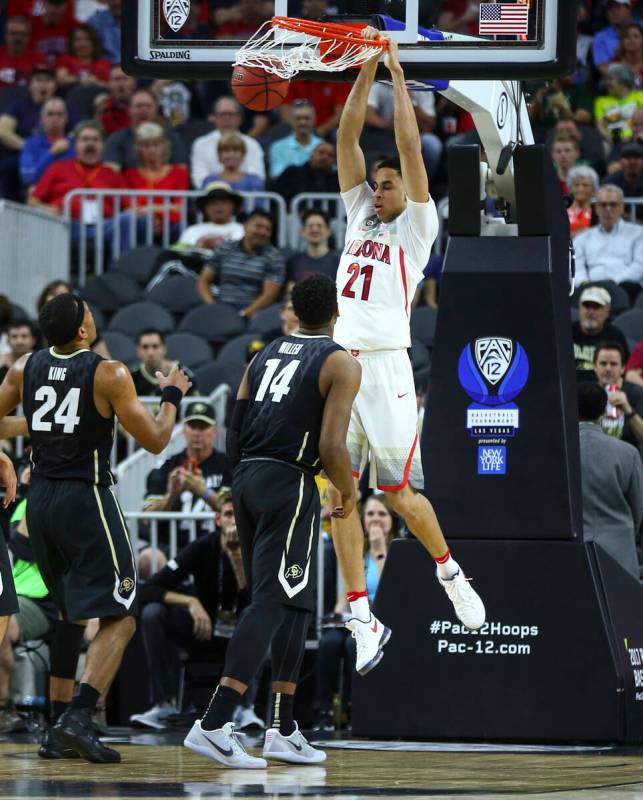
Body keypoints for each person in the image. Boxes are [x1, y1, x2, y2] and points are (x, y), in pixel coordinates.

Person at [329, 27, 485, 676]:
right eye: (377, 183)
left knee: (396, 496)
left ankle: (449, 571)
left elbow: (404, 151)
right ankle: (360, 612)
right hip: (338, 364)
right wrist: (363, 68)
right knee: (333, 495)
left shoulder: (420, 224)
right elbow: (345, 139)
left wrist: (395, 72)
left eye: (388, 181)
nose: (380, 186)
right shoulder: (357, 214)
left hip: (388, 365)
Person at [0, 292, 192, 763]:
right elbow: (155, 439)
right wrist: (172, 394)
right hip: (85, 501)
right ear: (84, 332)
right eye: (88, 310)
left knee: (70, 616)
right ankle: (78, 718)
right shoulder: (110, 372)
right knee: (123, 613)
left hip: (40, 503)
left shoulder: (25, 366)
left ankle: (56, 727)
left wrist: (34, 427)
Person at [183, 273, 361, 769]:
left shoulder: (263, 355)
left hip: (247, 476)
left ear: (295, 312)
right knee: (271, 600)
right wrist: (346, 489)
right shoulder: (340, 361)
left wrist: (244, 485)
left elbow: (234, 429)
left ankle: (282, 727)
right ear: (337, 311)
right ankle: (216, 721)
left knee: (295, 600)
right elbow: (330, 446)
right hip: (291, 481)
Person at [132, 492, 248, 730]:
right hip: (202, 627)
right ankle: (162, 705)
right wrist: (190, 603)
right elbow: (150, 588)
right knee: (154, 613)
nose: (233, 522)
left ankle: (245, 709)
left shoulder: (256, 548)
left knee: (256, 620)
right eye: (228, 515)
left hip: (241, 629)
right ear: (217, 519)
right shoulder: (203, 545)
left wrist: (236, 556)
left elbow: (254, 598)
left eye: (239, 517)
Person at [314, 494, 399, 732]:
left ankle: (357, 708)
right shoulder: (358, 551)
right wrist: (337, 614)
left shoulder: (399, 549)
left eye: (382, 514)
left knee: (354, 647)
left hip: (384, 621)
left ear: (392, 518)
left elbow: (392, 591)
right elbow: (350, 590)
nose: (375, 519)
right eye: (370, 514)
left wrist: (380, 551)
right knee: (329, 643)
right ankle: (325, 711)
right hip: (355, 620)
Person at [28, 120, 130, 251]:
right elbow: (32, 201)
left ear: (103, 146)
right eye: (85, 139)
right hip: (66, 224)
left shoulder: (113, 175)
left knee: (127, 221)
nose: (90, 144)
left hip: (103, 226)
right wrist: (46, 208)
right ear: (76, 145)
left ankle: (117, 270)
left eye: (95, 140)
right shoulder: (57, 168)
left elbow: (130, 207)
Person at [578, 381, 643, 579]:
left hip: (576, 554)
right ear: (604, 412)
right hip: (620, 555)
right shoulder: (628, 453)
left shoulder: (557, 454)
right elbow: (638, 509)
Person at [144, 400, 232, 526]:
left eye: (203, 427)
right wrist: (171, 495)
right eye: (192, 426)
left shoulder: (228, 466)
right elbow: (146, 518)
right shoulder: (166, 467)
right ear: (183, 429)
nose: (197, 433)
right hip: (169, 544)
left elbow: (233, 512)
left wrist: (202, 491)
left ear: (214, 431)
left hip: (214, 543)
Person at [197, 209, 286, 318]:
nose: (263, 232)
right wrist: (212, 306)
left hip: (253, 313)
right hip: (221, 307)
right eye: (258, 226)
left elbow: (269, 295)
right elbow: (203, 281)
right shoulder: (225, 248)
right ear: (244, 226)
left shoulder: (274, 257)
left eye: (268, 229)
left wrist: (244, 314)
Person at [123, 122, 189, 243]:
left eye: (156, 145)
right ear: (138, 148)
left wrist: (149, 210)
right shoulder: (129, 175)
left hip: (171, 226)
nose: (152, 150)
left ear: (164, 146)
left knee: (182, 226)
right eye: (146, 146)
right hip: (140, 226)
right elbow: (128, 208)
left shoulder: (179, 173)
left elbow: (179, 207)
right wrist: (150, 216)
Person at [573, 185, 643, 299]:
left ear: (622, 207)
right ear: (596, 208)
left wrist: (613, 282)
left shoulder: (639, 233)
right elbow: (576, 266)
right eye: (603, 205)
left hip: (625, 288)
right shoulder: (583, 238)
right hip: (590, 290)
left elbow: (640, 266)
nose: (608, 209)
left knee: (631, 287)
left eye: (613, 204)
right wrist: (584, 283)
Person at [0, 65, 58, 201]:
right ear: (30, 85)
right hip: (23, 155)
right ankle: (10, 208)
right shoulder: (20, 106)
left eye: (48, 80)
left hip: (56, 154)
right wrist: (28, 147)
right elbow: (2, 130)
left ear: (55, 86)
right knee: (9, 166)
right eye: (38, 80)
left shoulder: (61, 106)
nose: (43, 85)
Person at [366, 81, 443, 180]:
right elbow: (367, 114)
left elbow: (428, 126)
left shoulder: (424, 88)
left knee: (432, 143)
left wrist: (411, 102)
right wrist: (385, 123)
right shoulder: (381, 85)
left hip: (415, 135)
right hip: (386, 133)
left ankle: (422, 185)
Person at [190, 96, 266, 189]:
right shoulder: (200, 144)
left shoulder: (252, 144)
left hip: (245, 199)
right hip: (212, 198)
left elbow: (257, 177)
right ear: (214, 118)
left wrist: (232, 195)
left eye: (230, 114)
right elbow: (199, 179)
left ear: (239, 118)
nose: (226, 118)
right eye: (222, 114)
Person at [103, 89, 187, 172]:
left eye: (148, 106)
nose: (143, 110)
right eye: (139, 106)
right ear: (129, 110)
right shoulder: (116, 139)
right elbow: (111, 175)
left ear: (156, 110)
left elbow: (181, 172)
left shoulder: (172, 139)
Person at [594, 342, 643, 455]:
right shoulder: (587, 393)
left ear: (622, 368)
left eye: (614, 364)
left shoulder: (637, 393)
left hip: (627, 458)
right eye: (603, 363)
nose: (608, 368)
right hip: (597, 456)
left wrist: (628, 410)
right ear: (594, 366)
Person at [573, 286, 629, 382]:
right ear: (580, 308)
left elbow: (625, 368)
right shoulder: (565, 333)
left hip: (604, 390)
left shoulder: (615, 335)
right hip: (569, 388)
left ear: (607, 311)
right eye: (587, 306)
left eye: (596, 307)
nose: (590, 312)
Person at [19, 96, 73, 188]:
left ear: (66, 118)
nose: (55, 118)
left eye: (60, 114)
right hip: (42, 195)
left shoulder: (76, 145)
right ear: (41, 118)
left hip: (69, 192)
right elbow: (28, 178)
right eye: (50, 114)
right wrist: (51, 153)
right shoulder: (30, 144)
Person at [175, 181, 244, 251]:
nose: (219, 206)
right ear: (205, 207)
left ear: (233, 206)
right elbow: (178, 253)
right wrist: (201, 246)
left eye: (224, 202)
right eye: (213, 202)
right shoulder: (191, 231)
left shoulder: (243, 231)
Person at [130, 328, 197, 398]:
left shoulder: (182, 374)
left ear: (164, 349)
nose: (150, 352)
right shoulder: (133, 377)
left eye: (155, 346)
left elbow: (195, 404)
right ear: (138, 351)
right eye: (145, 347)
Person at [272, 141, 340, 206]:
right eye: (321, 152)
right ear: (311, 154)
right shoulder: (292, 172)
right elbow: (276, 196)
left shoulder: (337, 179)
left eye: (330, 155)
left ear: (335, 161)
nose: (325, 157)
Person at [269, 101, 322, 180]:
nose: (303, 122)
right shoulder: (278, 147)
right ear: (291, 120)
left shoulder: (323, 147)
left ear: (314, 120)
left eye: (307, 118)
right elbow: (276, 176)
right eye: (298, 118)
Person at [286, 210, 340, 288]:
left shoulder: (339, 262)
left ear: (329, 231)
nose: (315, 230)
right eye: (310, 226)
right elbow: (289, 290)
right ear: (302, 232)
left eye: (319, 226)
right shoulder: (293, 262)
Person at [200, 133, 265, 196]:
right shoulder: (210, 180)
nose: (231, 155)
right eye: (226, 151)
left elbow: (259, 206)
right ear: (219, 155)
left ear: (243, 154)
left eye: (236, 150)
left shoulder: (254, 181)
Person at [595, 63, 643, 146]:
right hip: (614, 142)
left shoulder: (640, 96)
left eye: (610, 80)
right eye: (606, 80)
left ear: (623, 81)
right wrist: (612, 142)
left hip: (638, 139)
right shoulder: (601, 101)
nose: (607, 83)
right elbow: (600, 126)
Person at [55, 23, 112, 89]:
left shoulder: (105, 64)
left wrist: (96, 82)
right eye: (78, 40)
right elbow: (60, 79)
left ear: (94, 42)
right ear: (71, 43)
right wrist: (79, 80)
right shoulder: (64, 60)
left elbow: (112, 85)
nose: (82, 44)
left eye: (87, 39)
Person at [593, 0, 638, 76]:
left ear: (628, 10)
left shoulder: (641, 27)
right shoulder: (600, 37)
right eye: (610, 9)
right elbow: (603, 67)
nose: (614, 12)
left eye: (618, 8)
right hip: (616, 82)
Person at [603, 141, 643, 213]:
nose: (632, 162)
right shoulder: (610, 182)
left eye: (637, 158)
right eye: (627, 158)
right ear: (620, 161)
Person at [0, 16, 40, 88]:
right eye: (13, 33)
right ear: (6, 35)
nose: (18, 38)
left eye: (22, 34)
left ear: (28, 37)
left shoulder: (38, 59)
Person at [99, 65, 136, 136]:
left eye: (125, 79)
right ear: (109, 83)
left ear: (134, 83)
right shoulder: (103, 108)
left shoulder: (141, 107)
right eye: (116, 79)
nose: (121, 84)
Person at [567, 165, 598, 237]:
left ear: (594, 189)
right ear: (570, 188)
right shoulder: (561, 211)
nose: (580, 189)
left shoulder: (599, 210)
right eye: (576, 185)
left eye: (585, 185)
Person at [615, 22, 643, 86]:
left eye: (636, 36)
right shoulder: (615, 64)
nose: (631, 40)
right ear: (622, 41)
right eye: (627, 37)